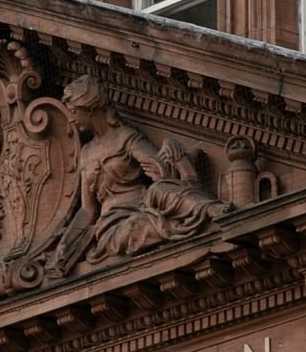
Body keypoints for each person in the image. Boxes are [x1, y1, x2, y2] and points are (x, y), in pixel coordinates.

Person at [51, 74, 227, 273]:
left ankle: (212, 211)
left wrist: (171, 149)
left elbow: (162, 173)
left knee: (160, 190)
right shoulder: (86, 153)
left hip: (145, 204)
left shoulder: (125, 137)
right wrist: (65, 244)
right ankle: (186, 222)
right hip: (114, 224)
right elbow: (88, 211)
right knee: (139, 227)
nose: (71, 120)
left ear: (89, 107)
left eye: (74, 111)